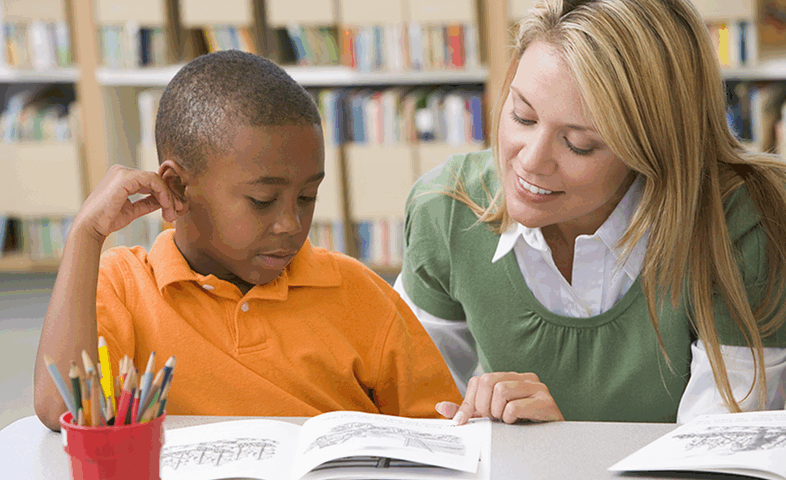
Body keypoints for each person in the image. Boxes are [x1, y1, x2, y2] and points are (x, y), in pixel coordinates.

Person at [397, 0, 786, 425]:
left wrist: (566, 449)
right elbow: (407, 414)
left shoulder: (741, 224)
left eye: (579, 143)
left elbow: (712, 455)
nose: (530, 161)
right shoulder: (445, 208)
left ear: (652, 150)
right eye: (522, 116)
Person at [33, 51, 462, 431]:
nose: (291, 223)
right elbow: (62, 410)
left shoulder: (361, 295)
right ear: (177, 187)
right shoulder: (124, 287)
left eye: (308, 197)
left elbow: (443, 433)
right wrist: (85, 236)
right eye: (262, 201)